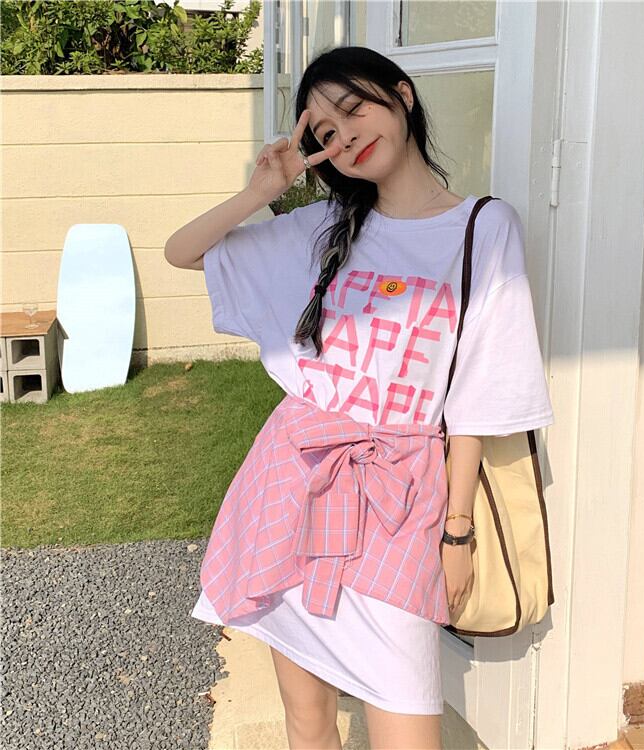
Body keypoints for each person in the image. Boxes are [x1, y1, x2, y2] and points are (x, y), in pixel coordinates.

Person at [165, 45, 553, 750]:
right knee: (308, 721)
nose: (344, 136)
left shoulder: (483, 228)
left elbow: (478, 395)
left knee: (407, 724)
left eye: (354, 109)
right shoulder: (325, 229)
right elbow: (182, 252)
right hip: (295, 482)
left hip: (403, 499)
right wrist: (263, 190)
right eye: (324, 133)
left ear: (402, 95)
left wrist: (457, 531)